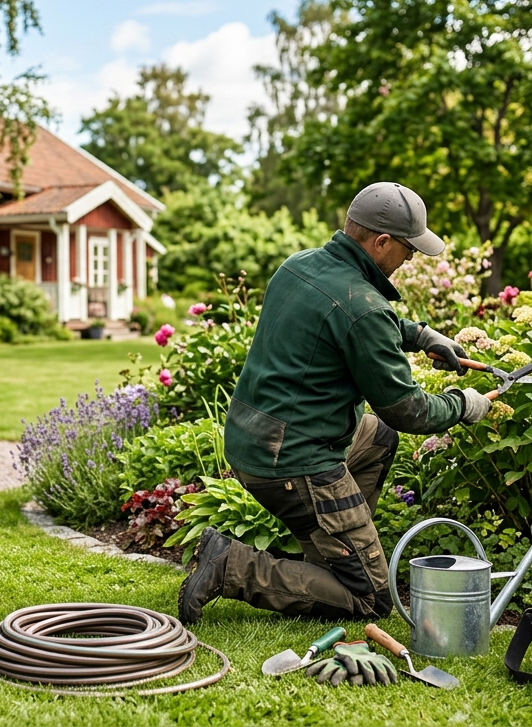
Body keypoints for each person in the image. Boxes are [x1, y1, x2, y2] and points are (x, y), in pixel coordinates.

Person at [177, 181, 491, 624]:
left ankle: (336, 554)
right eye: (409, 249)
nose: (410, 259)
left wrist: (420, 335)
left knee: (378, 437)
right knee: (369, 599)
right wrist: (464, 405)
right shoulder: (364, 307)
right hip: (293, 459)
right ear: (382, 242)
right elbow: (407, 409)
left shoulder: (299, 265)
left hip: (257, 437)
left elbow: (350, 314)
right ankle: (232, 565)